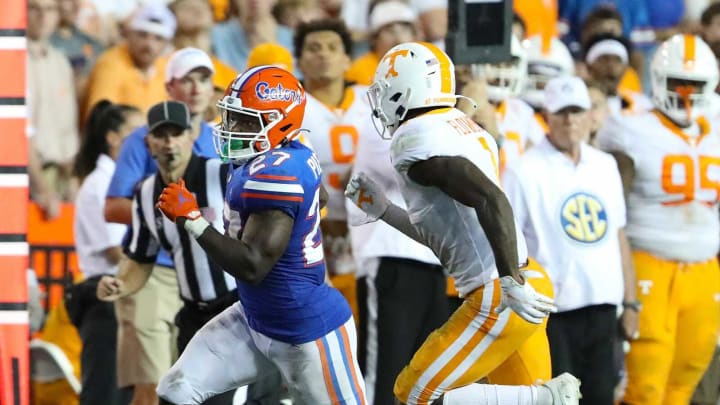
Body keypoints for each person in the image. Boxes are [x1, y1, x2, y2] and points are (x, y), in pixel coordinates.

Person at [345, 41, 580, 405]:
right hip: (525, 278)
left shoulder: (414, 135)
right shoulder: (462, 125)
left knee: (412, 394)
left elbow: (490, 198)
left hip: (501, 292)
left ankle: (540, 398)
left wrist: (508, 281)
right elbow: (449, 237)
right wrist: (385, 211)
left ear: (406, 88)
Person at [148, 66, 366, 405]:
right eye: (233, 117)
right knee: (176, 390)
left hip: (306, 331)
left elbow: (253, 265)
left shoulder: (278, 174)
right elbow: (318, 198)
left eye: (247, 121)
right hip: (255, 318)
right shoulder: (288, 155)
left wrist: (192, 219)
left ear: (281, 122)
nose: (234, 129)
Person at [595, 34, 720, 405]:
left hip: (704, 268)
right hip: (648, 261)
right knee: (645, 385)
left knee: (686, 378)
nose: (685, 93)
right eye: (678, 83)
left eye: (694, 85)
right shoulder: (628, 127)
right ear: (658, 80)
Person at [502, 76, 638, 405]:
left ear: (590, 115)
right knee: (558, 399)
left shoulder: (605, 166)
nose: (570, 120)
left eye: (577, 111)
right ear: (547, 116)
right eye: (562, 112)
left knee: (601, 397)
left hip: (603, 305)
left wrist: (632, 302)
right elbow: (507, 244)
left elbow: (618, 235)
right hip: (553, 311)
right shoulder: (523, 171)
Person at [97, 100, 238, 405]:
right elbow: (140, 258)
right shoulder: (146, 194)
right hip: (192, 315)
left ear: (192, 136)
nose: (169, 143)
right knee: (172, 396)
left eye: (176, 134)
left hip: (237, 312)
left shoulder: (223, 175)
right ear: (148, 144)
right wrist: (120, 283)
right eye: (161, 136)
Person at [69, 100, 142, 405]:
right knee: (104, 393)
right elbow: (116, 252)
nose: (145, 139)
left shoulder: (120, 181)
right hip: (105, 299)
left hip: (122, 295)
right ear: (114, 137)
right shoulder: (101, 184)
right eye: (137, 132)